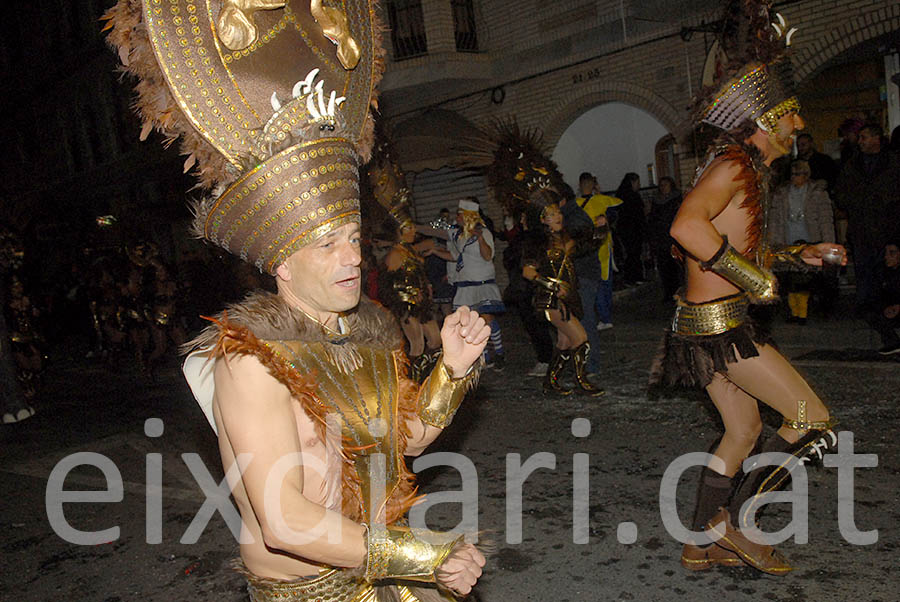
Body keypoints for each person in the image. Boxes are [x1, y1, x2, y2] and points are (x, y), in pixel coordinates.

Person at [108, 1, 487, 599]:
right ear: (281, 260)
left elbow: (399, 442)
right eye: (328, 244)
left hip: (382, 577)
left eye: (354, 239)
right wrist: (422, 555)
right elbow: (285, 521)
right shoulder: (252, 361)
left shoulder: (367, 334)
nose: (351, 258)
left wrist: (453, 372)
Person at [651, 1, 842, 575]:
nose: (799, 126)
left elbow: (733, 245)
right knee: (813, 419)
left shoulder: (743, 170)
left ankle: (700, 539)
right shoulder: (734, 165)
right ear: (764, 122)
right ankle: (735, 528)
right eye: (791, 116)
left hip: (705, 323)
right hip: (721, 326)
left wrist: (792, 256)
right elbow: (685, 227)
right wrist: (754, 277)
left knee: (744, 429)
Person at [522, 188, 604, 396]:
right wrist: (551, 285)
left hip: (568, 299)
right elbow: (527, 271)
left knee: (564, 341)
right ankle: (582, 381)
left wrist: (600, 230)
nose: (558, 217)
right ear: (542, 220)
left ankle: (551, 381)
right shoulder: (537, 243)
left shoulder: (564, 237)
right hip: (551, 301)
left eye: (558, 212)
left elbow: (586, 246)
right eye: (551, 215)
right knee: (581, 337)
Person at [834, 123, 900, 312]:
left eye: (864, 137)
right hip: (861, 228)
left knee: (887, 272)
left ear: (876, 138)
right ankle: (867, 309)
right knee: (864, 272)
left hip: (887, 229)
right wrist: (854, 203)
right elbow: (841, 192)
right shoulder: (853, 164)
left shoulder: (892, 163)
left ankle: (886, 308)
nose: (860, 142)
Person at [435, 199, 507, 369]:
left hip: (482, 284)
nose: (457, 217)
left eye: (460, 214)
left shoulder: (484, 233)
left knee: (487, 319)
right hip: (465, 285)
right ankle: (484, 357)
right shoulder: (460, 236)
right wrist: (434, 251)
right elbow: (455, 257)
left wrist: (480, 238)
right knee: (471, 322)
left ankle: (499, 352)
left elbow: (488, 256)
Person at [769, 160, 835, 322]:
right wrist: (774, 243)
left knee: (810, 279)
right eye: (792, 174)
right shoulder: (782, 193)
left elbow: (826, 219)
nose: (795, 177)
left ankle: (807, 311)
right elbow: (775, 220)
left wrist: (828, 243)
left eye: (798, 174)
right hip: (789, 239)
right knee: (792, 278)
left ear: (806, 175)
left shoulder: (818, 193)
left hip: (811, 238)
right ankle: (795, 313)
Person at [379, 220, 443, 381]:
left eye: (414, 228)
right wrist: (408, 294)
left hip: (422, 304)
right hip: (406, 306)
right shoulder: (395, 254)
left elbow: (430, 243)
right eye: (410, 229)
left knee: (436, 339)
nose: (414, 232)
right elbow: (388, 282)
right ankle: (414, 382)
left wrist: (425, 286)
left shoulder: (410, 250)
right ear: (401, 231)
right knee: (417, 344)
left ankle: (426, 371)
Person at [576, 172, 622, 329]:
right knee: (605, 282)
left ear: (580, 185)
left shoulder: (575, 205)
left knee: (595, 284)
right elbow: (617, 211)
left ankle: (604, 317)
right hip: (605, 248)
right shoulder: (603, 201)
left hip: (587, 250)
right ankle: (606, 316)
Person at [647, 176, 684, 302]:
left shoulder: (677, 199)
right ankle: (668, 293)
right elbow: (652, 219)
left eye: (666, 185)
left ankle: (679, 292)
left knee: (676, 266)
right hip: (661, 239)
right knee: (664, 268)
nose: (663, 187)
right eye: (661, 185)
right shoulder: (656, 201)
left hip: (673, 239)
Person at [863, 242, 900, 355]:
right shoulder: (883, 272)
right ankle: (893, 342)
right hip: (891, 310)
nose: (887, 257)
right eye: (886, 253)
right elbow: (877, 295)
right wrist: (885, 307)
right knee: (869, 311)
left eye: (892, 253)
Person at [614, 172, 648, 286]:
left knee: (632, 253)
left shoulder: (622, 195)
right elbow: (637, 213)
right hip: (632, 230)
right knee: (633, 254)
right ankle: (632, 277)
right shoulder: (632, 197)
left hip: (627, 229)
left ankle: (634, 277)